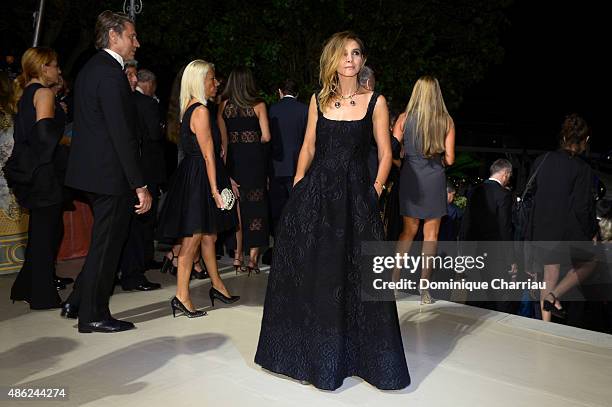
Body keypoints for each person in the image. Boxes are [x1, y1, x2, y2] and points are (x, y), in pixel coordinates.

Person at [255, 31, 410, 391]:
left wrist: (374, 188)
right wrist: (297, 181)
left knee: (356, 278)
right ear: (333, 61)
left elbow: (386, 152)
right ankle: (313, 354)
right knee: (317, 276)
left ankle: (355, 356)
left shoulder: (376, 101)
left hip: (356, 199)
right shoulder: (318, 100)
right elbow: (308, 146)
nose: (350, 60)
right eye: (343, 54)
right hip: (317, 197)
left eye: (356, 53)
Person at [61, 11, 152, 333]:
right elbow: (120, 134)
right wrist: (139, 184)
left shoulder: (90, 68)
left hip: (91, 171)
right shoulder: (111, 74)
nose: (136, 43)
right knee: (107, 246)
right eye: (132, 36)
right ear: (113, 36)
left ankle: (77, 300)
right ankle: (93, 315)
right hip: (108, 174)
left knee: (103, 241)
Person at [156, 59, 239, 318]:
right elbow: (208, 156)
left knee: (207, 236)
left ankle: (217, 286)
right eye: (211, 79)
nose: (216, 84)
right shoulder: (200, 111)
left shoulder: (191, 109)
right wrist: (216, 190)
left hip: (195, 176)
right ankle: (182, 296)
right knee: (191, 240)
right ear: (198, 82)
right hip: (200, 178)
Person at [5, 47, 65, 309]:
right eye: (55, 66)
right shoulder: (43, 93)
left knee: (41, 231)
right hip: (43, 173)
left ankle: (26, 286)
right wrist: (70, 140)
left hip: (28, 171)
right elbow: (44, 137)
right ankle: (42, 296)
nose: (59, 71)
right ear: (43, 68)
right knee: (46, 234)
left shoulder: (25, 94)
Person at [528, 114, 598, 322]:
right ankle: (554, 295)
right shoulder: (583, 169)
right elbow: (582, 207)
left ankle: (545, 327)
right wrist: (592, 232)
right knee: (591, 262)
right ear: (583, 140)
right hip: (565, 231)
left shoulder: (542, 160)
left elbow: (532, 196)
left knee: (549, 276)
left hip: (541, 229)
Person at [393, 75, 455, 304]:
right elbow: (450, 159)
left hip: (411, 178)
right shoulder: (446, 121)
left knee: (407, 232)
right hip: (434, 179)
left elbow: (390, 149)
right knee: (431, 236)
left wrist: (405, 163)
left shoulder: (404, 118)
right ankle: (424, 291)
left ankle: (394, 281)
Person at [218, 67, 271, 274]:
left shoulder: (224, 106)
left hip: (234, 162)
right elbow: (266, 136)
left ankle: (238, 256)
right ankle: (253, 259)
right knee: (256, 209)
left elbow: (223, 142)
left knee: (237, 210)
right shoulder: (258, 105)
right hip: (255, 162)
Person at [460, 159, 517, 313]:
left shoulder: (474, 191)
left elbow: (466, 222)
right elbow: (505, 228)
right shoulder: (504, 195)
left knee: (475, 295)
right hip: (495, 254)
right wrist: (511, 259)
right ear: (506, 174)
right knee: (499, 297)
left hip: (473, 251)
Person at [268, 78, 308, 237]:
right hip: (298, 166)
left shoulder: (272, 109)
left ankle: (280, 243)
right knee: (298, 208)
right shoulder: (305, 110)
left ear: (280, 92)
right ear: (297, 94)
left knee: (278, 210)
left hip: (276, 166)